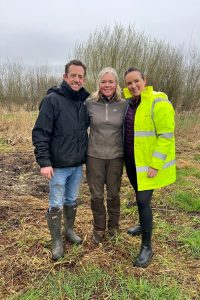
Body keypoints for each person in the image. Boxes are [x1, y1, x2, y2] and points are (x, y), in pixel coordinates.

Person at [32, 59, 90, 260]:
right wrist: (44, 162)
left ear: (84, 79)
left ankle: (69, 231)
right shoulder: (52, 100)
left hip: (77, 165)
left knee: (72, 200)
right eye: (73, 75)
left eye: (80, 76)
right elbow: (40, 133)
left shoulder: (83, 102)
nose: (76, 79)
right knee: (55, 203)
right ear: (65, 77)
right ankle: (56, 240)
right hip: (57, 166)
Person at [123, 67, 176, 268]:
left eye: (137, 81)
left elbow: (166, 136)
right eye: (129, 83)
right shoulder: (129, 104)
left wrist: (155, 164)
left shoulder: (158, 101)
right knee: (139, 196)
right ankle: (142, 225)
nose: (133, 85)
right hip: (132, 162)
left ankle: (147, 246)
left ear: (145, 80)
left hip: (148, 166)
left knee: (143, 201)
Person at [86, 67, 126, 244]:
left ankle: (114, 227)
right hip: (94, 155)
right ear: (98, 83)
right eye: (104, 81)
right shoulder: (89, 103)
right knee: (96, 195)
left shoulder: (124, 105)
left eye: (111, 81)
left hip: (116, 156)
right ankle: (99, 228)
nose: (107, 85)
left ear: (116, 83)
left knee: (113, 194)